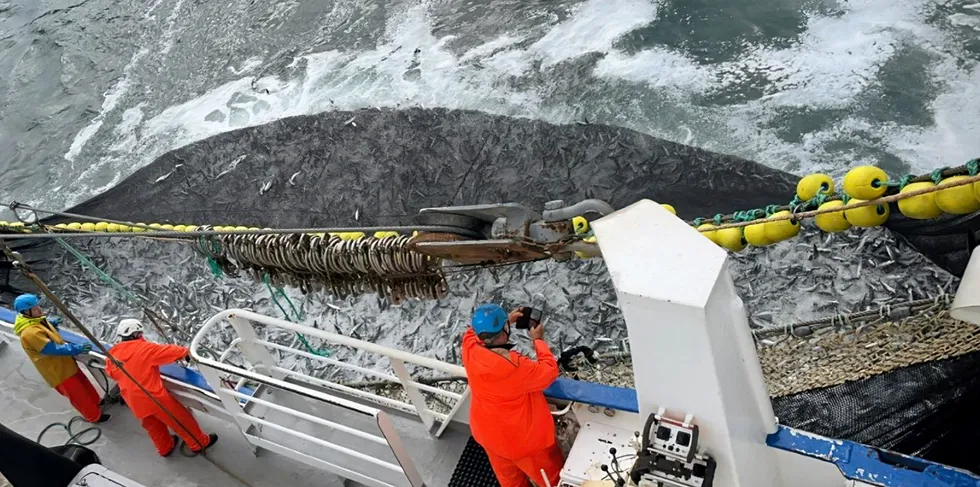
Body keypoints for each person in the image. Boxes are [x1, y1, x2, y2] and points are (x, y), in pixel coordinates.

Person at [461, 303, 564, 487]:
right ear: (505, 331)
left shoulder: (468, 348)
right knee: (553, 480)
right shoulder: (515, 367)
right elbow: (549, 371)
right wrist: (538, 340)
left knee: (511, 483)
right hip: (524, 444)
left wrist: (505, 320)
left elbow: (473, 333)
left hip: (490, 438)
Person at [105, 319, 218, 457]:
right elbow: (167, 351)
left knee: (153, 426)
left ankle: (165, 447)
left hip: (133, 400)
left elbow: (110, 372)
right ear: (136, 335)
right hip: (154, 398)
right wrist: (185, 352)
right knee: (181, 419)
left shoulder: (112, 355)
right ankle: (199, 443)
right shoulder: (144, 349)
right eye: (140, 334)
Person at [12, 293, 109, 423]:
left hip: (66, 364)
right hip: (58, 372)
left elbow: (43, 325)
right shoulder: (29, 333)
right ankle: (94, 416)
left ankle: (97, 402)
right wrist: (77, 348)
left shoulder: (34, 319)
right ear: (26, 312)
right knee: (78, 395)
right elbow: (53, 349)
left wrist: (52, 323)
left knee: (84, 383)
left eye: (38, 306)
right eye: (35, 308)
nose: (39, 309)